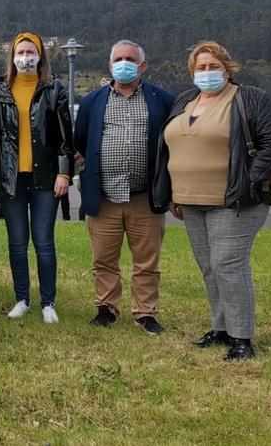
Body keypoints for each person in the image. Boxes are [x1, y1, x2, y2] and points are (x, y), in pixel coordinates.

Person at [153, 41, 271, 361]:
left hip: (235, 201)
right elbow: (172, 146)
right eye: (201, 67)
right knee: (209, 267)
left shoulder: (249, 98)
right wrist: (172, 191)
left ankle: (242, 337)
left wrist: (245, 180)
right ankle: (221, 328)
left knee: (228, 264)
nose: (207, 72)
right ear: (192, 72)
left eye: (214, 66)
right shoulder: (186, 100)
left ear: (227, 68)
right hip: (189, 200)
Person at [74, 40, 175, 334]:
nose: (124, 63)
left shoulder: (163, 99)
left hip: (145, 195)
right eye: (118, 58)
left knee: (147, 261)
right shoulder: (92, 101)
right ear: (109, 65)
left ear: (143, 65)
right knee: (103, 259)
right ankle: (106, 309)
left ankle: (145, 314)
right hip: (104, 196)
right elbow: (81, 140)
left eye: (130, 58)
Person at [0, 32, 74, 324]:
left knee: (44, 241)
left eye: (30, 52)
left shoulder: (54, 89)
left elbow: (64, 137)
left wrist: (63, 172)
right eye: (20, 52)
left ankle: (49, 302)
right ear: (12, 56)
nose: (25, 57)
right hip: (11, 178)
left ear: (40, 55)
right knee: (17, 242)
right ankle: (21, 298)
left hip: (46, 178)